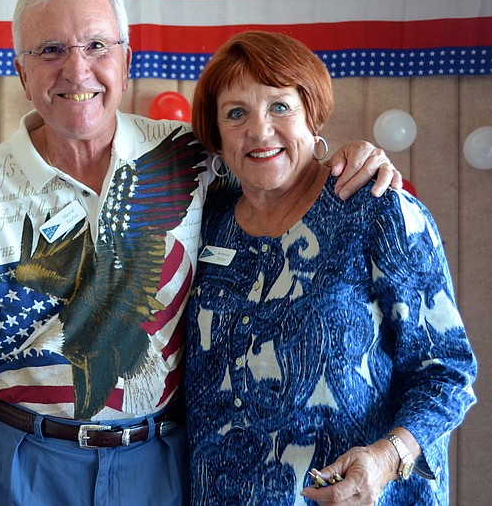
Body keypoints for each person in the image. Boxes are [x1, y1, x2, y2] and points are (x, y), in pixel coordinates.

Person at [0, 0, 402, 506]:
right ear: (21, 71)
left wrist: (348, 156)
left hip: (160, 463)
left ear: (126, 60)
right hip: (25, 462)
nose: (77, 70)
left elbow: (273, 162)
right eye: (51, 50)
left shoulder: (193, 157)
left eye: (97, 45)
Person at [185, 30, 477, 505]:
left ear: (312, 115)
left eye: (280, 106)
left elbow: (447, 370)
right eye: (236, 113)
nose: (260, 131)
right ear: (217, 138)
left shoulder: (377, 211)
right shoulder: (204, 221)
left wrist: (387, 459)